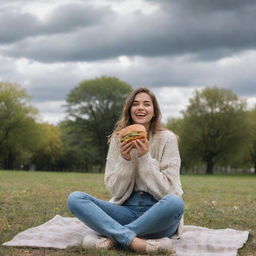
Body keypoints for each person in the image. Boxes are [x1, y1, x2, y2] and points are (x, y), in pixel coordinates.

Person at [67, 87, 184, 253]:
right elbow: (115, 190)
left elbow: (169, 191)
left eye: (147, 104)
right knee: (75, 198)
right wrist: (125, 159)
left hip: (159, 212)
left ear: (154, 111)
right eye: (135, 104)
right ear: (129, 110)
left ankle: (113, 238)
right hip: (125, 209)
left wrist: (144, 157)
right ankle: (138, 242)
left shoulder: (168, 139)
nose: (141, 108)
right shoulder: (118, 139)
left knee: (176, 202)